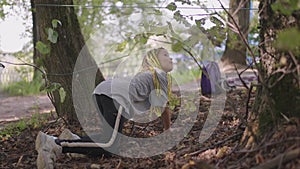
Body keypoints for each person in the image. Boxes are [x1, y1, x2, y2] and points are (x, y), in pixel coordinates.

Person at [35, 47, 174, 169]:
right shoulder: (159, 74)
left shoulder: (147, 74)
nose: (171, 58)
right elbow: (162, 107)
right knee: (109, 146)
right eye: (165, 55)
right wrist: (168, 132)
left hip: (103, 92)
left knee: (106, 138)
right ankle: (55, 145)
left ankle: (73, 139)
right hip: (116, 97)